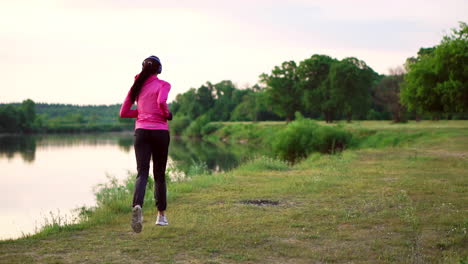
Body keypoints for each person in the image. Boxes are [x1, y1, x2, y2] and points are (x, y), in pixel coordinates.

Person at [119, 55, 172, 233]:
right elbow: (161, 101)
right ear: (159, 69)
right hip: (160, 132)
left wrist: (142, 112)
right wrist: (165, 114)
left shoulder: (136, 86)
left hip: (141, 132)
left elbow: (124, 112)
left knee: (142, 172)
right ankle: (161, 216)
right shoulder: (163, 85)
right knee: (159, 174)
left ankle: (137, 206)